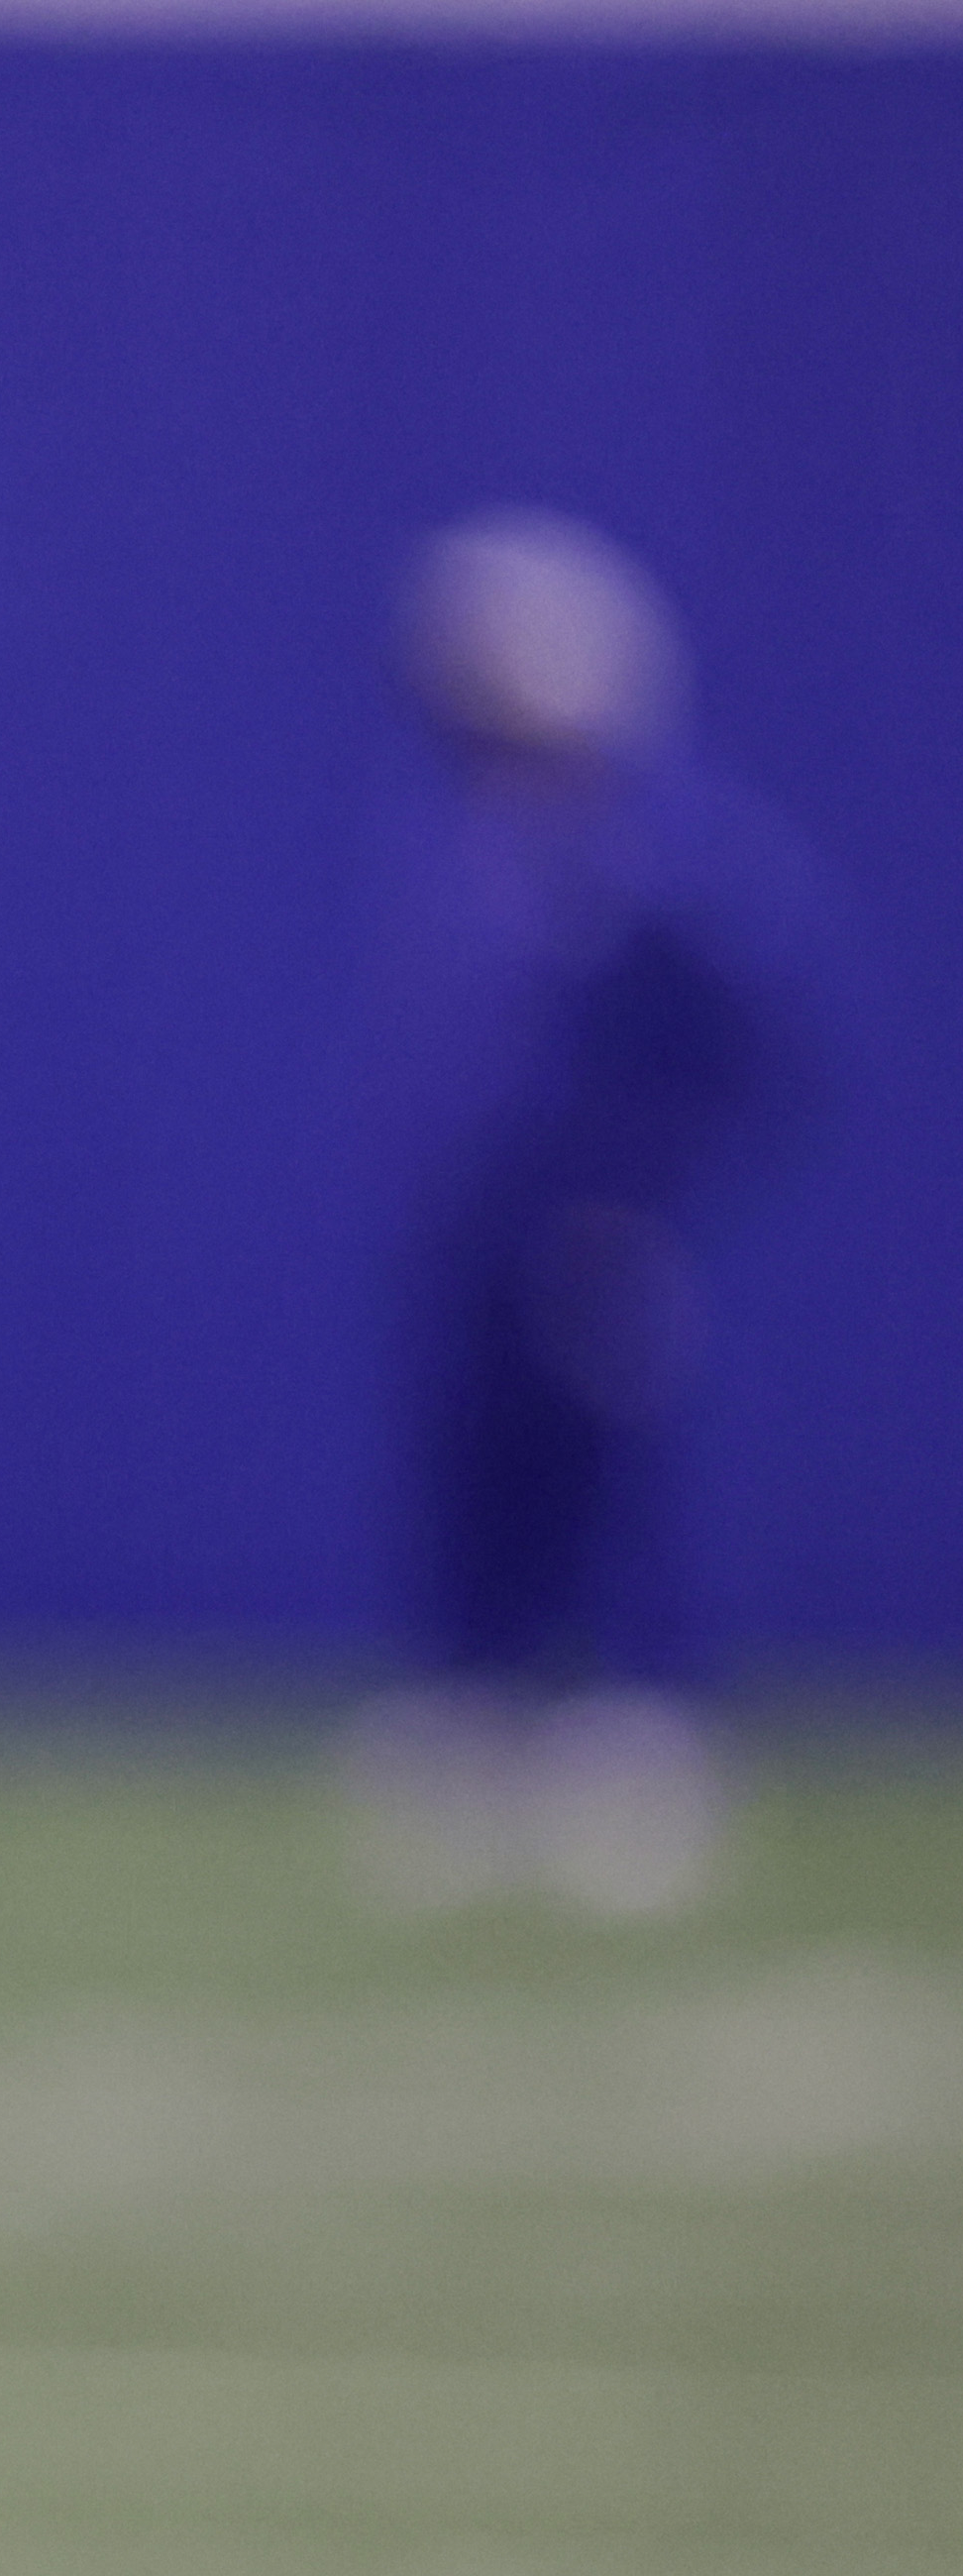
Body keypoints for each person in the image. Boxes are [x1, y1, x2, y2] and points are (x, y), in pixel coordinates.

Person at [346, 507, 809, 1921]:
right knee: (470, 1499)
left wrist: (634, 1201)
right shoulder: (461, 842)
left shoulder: (656, 856)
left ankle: (640, 1760)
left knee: (611, 1498)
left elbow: (760, 1049)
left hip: (592, 1248)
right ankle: (470, 1749)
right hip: (470, 1249)